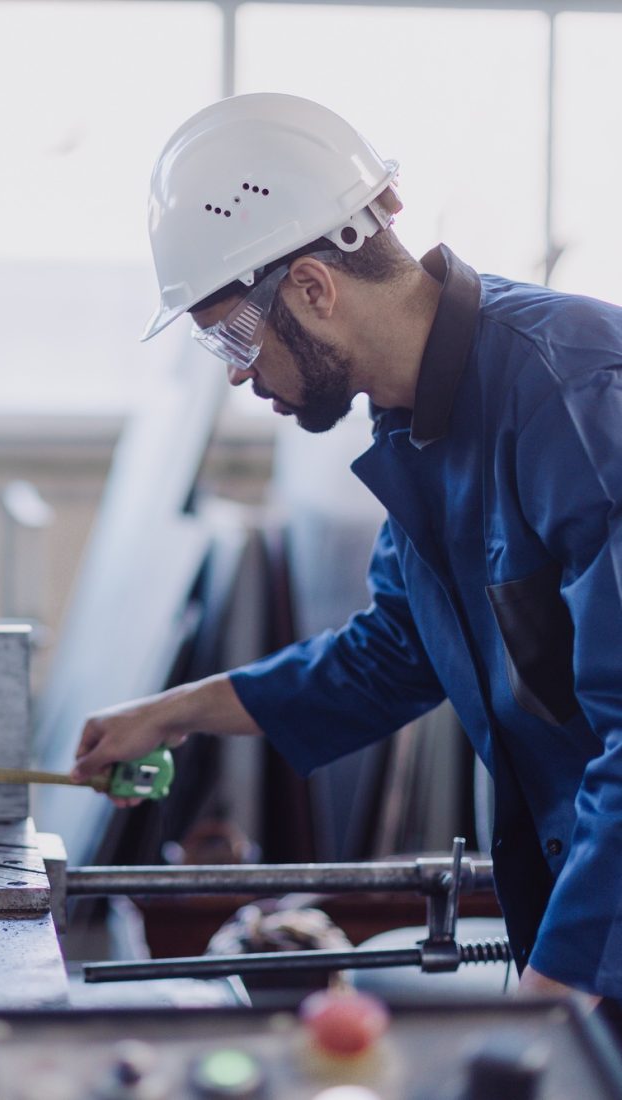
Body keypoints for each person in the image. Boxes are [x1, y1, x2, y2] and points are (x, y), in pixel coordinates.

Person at [70, 92, 622, 1006]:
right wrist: (175, 711)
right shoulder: (415, 428)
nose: (240, 372)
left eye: (233, 334)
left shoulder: (578, 394)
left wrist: (560, 985)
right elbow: (396, 653)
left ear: (314, 290)